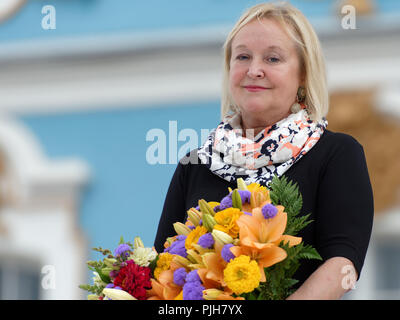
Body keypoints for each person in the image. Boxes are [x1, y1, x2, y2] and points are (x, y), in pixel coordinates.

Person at [154, 2, 373, 300]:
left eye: (273, 58)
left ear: (303, 76)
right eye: (242, 56)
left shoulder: (336, 154)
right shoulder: (196, 163)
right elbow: (162, 268)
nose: (254, 70)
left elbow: (343, 264)